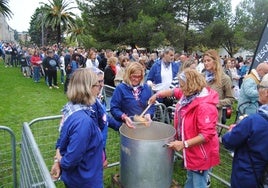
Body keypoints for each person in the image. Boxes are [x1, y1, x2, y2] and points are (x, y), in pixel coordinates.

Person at [151, 68, 220, 188]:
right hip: (192, 151)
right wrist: (157, 95)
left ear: (191, 85)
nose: (181, 89)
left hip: (201, 153)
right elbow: (174, 91)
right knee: (190, 178)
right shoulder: (188, 94)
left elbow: (206, 135)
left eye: (183, 86)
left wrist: (184, 144)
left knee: (198, 182)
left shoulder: (205, 106)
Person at [50, 68, 103, 188]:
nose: (100, 87)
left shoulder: (71, 109)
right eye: (97, 84)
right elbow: (70, 161)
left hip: (78, 178)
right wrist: (59, 159)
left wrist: (57, 160)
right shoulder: (83, 122)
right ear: (88, 88)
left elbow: (63, 140)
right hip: (84, 180)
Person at [222, 73, 268, 188]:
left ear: (266, 92)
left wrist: (236, 128)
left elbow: (228, 141)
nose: (258, 91)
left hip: (247, 175)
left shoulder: (253, 121)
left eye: (259, 88)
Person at [110, 62, 155, 129]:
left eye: (139, 76)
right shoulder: (120, 88)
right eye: (134, 76)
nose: (137, 79)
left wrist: (149, 114)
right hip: (128, 126)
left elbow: (151, 105)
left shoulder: (146, 87)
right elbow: (114, 108)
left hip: (144, 125)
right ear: (128, 75)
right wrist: (124, 117)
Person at [202, 49, 235, 124]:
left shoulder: (224, 78)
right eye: (204, 61)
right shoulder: (202, 76)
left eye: (208, 60)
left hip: (214, 118)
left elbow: (231, 99)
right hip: (200, 115)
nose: (206, 63)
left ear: (215, 61)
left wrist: (216, 103)